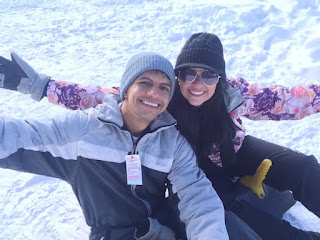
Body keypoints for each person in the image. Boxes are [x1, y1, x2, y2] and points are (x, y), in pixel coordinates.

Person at [1, 36, 320, 239]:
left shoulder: (231, 94)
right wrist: (38, 86)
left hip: (231, 151)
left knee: (302, 166)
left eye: (208, 74)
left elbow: (287, 99)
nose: (198, 83)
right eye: (188, 73)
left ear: (219, 77)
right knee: (230, 209)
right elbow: (96, 98)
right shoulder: (160, 98)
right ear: (177, 76)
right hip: (193, 169)